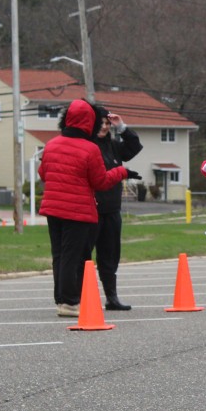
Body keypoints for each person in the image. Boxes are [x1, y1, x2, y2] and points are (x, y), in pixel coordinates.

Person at [38, 99, 135, 317]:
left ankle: (61, 299)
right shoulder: (90, 149)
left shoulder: (51, 144)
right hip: (78, 210)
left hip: (53, 208)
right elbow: (100, 181)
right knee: (72, 256)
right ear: (89, 122)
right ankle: (70, 302)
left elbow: (43, 173)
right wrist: (122, 172)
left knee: (58, 255)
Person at [90, 104, 143, 310]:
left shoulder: (113, 146)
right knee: (84, 256)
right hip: (90, 210)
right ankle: (79, 298)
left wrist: (121, 126)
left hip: (112, 210)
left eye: (107, 123)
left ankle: (112, 297)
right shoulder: (87, 146)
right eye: (100, 123)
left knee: (110, 256)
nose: (104, 127)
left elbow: (134, 147)